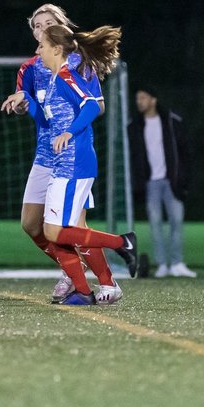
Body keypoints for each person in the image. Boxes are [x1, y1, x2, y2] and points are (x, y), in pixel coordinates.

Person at [1, 4, 119, 303]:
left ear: (61, 29)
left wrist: (71, 125)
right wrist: (22, 103)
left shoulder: (77, 64)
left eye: (48, 23)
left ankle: (103, 282)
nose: (41, 29)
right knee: (31, 224)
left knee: (72, 227)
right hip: (45, 153)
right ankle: (72, 268)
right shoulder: (30, 68)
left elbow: (96, 104)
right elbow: (34, 109)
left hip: (71, 153)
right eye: (36, 26)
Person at [26, 22, 138, 305]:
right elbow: (48, 121)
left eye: (42, 45)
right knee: (54, 232)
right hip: (60, 163)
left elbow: (91, 104)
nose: (38, 49)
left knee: (54, 231)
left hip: (74, 163)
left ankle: (123, 244)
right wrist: (27, 103)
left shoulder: (66, 75)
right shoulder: (53, 80)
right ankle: (84, 292)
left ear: (56, 48)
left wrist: (70, 131)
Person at [127, 88, 196, 277]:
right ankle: (162, 265)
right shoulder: (134, 125)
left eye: (143, 97)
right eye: (137, 98)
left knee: (176, 221)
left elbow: (185, 151)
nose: (139, 101)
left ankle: (177, 263)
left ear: (153, 100)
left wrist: (183, 177)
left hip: (171, 181)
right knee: (155, 223)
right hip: (150, 183)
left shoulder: (171, 122)